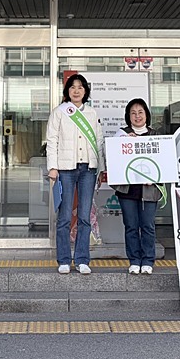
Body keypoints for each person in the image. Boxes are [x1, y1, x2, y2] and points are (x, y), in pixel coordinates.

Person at [47, 74, 105, 275]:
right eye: (72, 87)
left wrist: (100, 168)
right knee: (64, 217)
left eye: (80, 87)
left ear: (85, 91)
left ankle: (82, 259)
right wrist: (52, 167)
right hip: (65, 169)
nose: (76, 90)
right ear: (67, 91)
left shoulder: (92, 113)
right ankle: (64, 259)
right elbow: (52, 141)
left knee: (84, 217)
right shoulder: (59, 112)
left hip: (88, 169)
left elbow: (99, 142)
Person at [112, 98, 160, 275]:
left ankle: (148, 260)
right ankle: (134, 260)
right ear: (128, 116)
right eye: (133, 113)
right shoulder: (121, 134)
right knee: (131, 226)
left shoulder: (156, 135)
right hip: (128, 190)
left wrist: (155, 177)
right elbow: (113, 158)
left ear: (146, 114)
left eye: (140, 112)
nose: (137, 116)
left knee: (147, 226)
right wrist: (124, 141)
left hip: (149, 190)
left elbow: (163, 163)